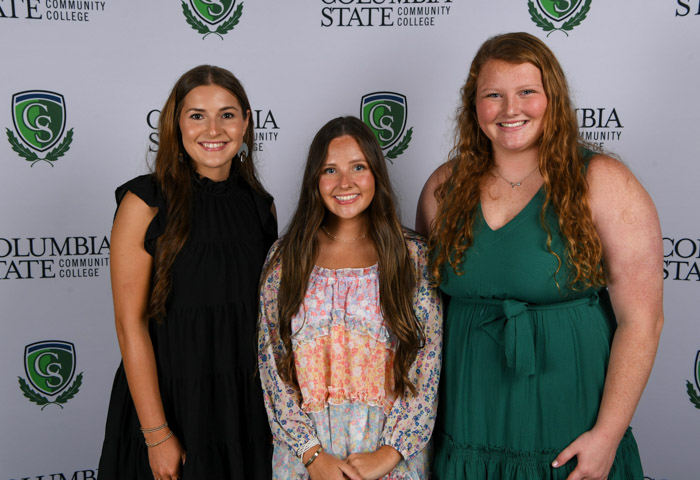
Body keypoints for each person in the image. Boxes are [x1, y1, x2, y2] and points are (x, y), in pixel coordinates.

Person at [416, 32, 663, 480]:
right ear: (474, 106)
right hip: (469, 423)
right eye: (494, 95)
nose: (511, 110)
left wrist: (607, 435)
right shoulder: (442, 188)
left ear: (553, 98)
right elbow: (423, 317)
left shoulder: (603, 181)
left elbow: (642, 320)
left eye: (527, 92)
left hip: (570, 423)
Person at [98, 65, 277, 480]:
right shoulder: (144, 203)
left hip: (243, 410)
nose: (213, 129)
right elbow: (130, 325)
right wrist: (157, 434)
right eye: (197, 115)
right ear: (175, 123)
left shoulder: (260, 207)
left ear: (246, 122)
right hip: (170, 405)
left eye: (227, 114)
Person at [258, 116, 442, 480]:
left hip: (389, 459)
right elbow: (271, 363)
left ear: (375, 172)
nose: (345, 183)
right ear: (315, 179)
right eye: (330, 170)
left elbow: (427, 363)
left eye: (358, 167)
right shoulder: (286, 258)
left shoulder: (412, 257)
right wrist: (313, 456)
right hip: (307, 462)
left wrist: (389, 454)